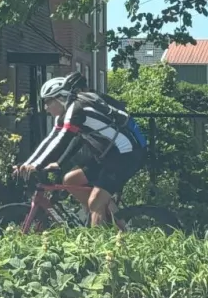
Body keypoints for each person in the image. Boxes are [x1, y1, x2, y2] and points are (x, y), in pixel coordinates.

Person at [13, 73, 146, 225]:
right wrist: (29, 163)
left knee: (95, 201)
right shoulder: (64, 114)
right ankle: (110, 217)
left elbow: (62, 140)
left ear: (59, 98)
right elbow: (50, 139)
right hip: (108, 154)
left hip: (127, 154)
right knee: (71, 180)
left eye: (47, 102)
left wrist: (37, 165)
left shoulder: (77, 110)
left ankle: (102, 243)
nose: (45, 107)